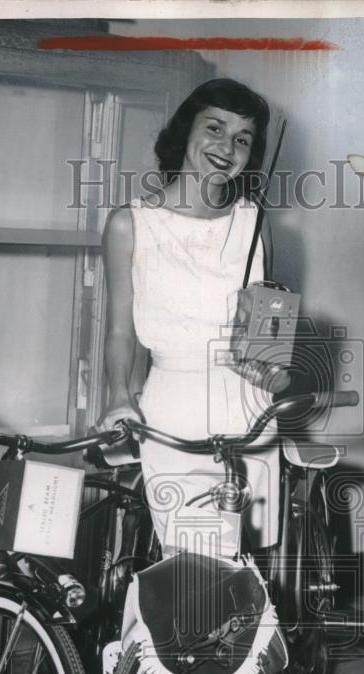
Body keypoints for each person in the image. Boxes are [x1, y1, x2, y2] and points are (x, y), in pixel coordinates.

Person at [97, 78, 282, 553]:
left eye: (242, 139)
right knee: (191, 576)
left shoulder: (255, 226)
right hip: (174, 416)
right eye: (215, 128)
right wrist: (119, 395)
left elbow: (266, 334)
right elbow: (120, 330)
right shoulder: (130, 224)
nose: (227, 147)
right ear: (185, 131)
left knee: (245, 571)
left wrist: (273, 369)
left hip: (251, 417)